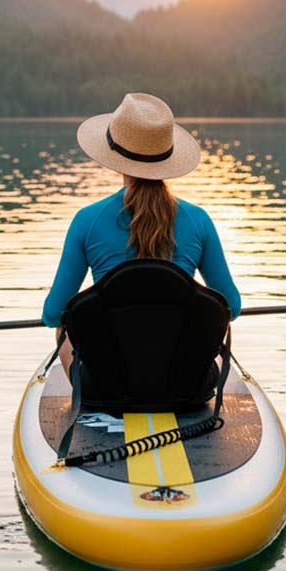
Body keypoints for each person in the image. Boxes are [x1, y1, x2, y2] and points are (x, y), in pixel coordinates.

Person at [42, 92, 241, 378]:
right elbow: (231, 307)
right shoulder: (199, 221)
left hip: (107, 387)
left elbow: (52, 313)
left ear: (112, 156)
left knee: (66, 321)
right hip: (186, 387)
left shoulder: (86, 221)